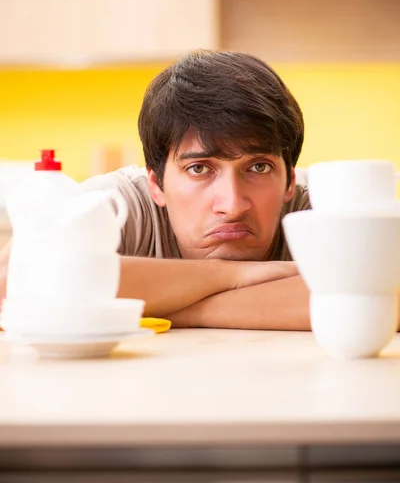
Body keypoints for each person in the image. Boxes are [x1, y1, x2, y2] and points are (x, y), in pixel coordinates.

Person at [0, 51, 312, 330]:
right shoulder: (118, 203)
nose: (232, 205)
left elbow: (357, 292)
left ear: (289, 182)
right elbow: (19, 279)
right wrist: (228, 275)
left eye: (258, 168)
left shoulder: (321, 203)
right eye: (199, 169)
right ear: (156, 185)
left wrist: (173, 309)